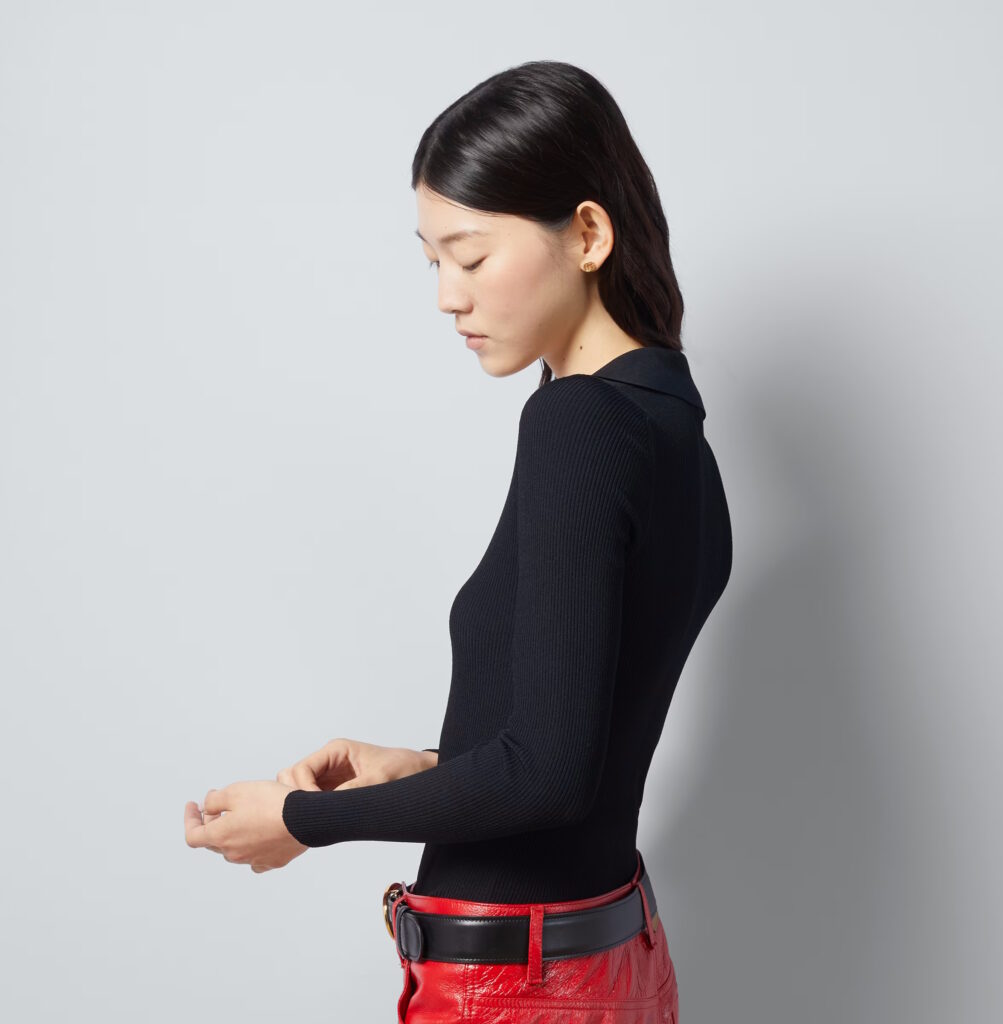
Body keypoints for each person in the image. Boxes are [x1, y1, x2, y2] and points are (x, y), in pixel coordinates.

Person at [184, 59, 732, 1023]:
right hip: (616, 958)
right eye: (431, 261)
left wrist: (302, 820)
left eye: (471, 258)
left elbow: (548, 775)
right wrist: (426, 767)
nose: (447, 296)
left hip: (515, 987)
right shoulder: (672, 423)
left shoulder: (578, 424)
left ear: (590, 234)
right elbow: (581, 745)